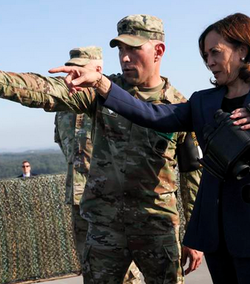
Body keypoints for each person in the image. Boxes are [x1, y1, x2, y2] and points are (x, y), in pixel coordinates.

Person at [52, 13, 250, 284]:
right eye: (205, 56)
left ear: (243, 51)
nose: (209, 62)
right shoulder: (204, 101)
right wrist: (102, 84)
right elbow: (151, 115)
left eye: (215, 53)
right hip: (216, 235)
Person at [0, 14, 203, 284]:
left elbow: (192, 175)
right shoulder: (104, 91)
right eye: (121, 50)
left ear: (158, 51)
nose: (125, 58)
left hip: (157, 229)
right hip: (105, 229)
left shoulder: (179, 108)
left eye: (134, 49)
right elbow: (45, 90)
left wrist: (196, 235)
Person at [54, 46, 141, 283]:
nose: (74, 75)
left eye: (80, 69)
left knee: (125, 271)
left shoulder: (116, 103)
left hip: (114, 202)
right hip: (79, 200)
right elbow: (67, 151)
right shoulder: (64, 109)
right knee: (90, 266)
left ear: (98, 70)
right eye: (71, 70)